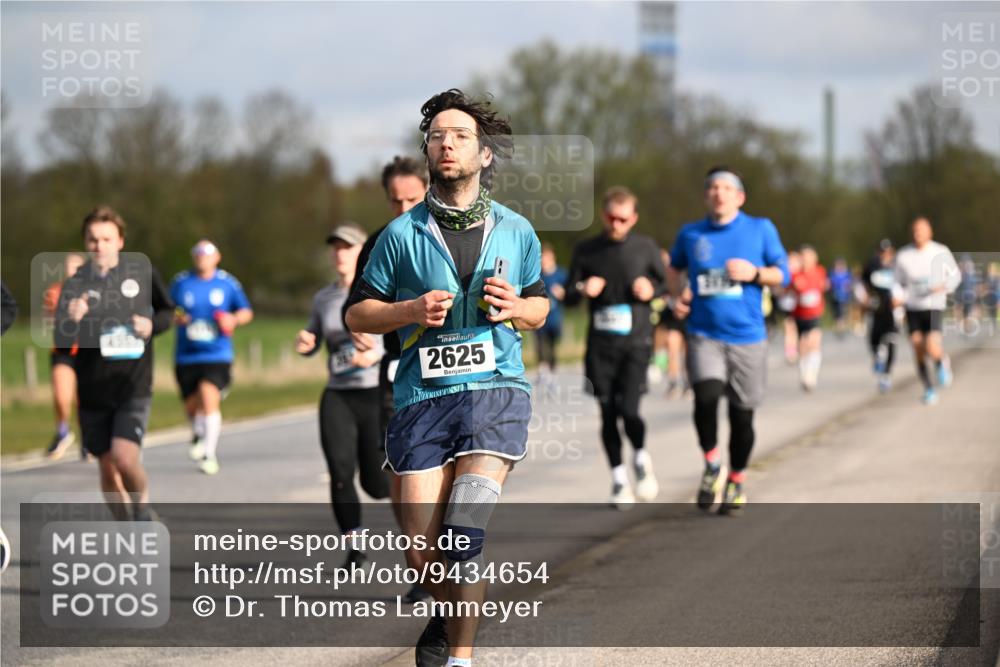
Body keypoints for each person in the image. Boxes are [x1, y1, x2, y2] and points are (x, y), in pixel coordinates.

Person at [345, 89, 549, 667]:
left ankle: (460, 659)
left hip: (495, 392)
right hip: (422, 399)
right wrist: (408, 310)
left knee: (462, 536)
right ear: (427, 152)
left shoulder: (516, 230)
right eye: (437, 136)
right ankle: (447, 609)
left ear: (484, 154)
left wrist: (517, 307)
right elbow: (357, 314)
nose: (447, 144)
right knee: (422, 553)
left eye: (460, 136)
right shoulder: (399, 236)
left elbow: (540, 308)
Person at [667, 167, 789, 515]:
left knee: (742, 418)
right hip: (704, 334)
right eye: (712, 187)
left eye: (726, 187)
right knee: (705, 397)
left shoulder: (761, 229)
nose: (719, 193)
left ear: (740, 197)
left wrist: (755, 273)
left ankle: (736, 480)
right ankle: (712, 464)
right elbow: (674, 268)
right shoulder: (691, 233)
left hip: (748, 338)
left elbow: (783, 274)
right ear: (706, 196)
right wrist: (677, 297)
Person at [344, 155, 432, 603]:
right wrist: (360, 332)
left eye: (412, 200)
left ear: (429, 191)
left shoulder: (451, 234)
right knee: (403, 472)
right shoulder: (379, 242)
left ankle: (450, 555)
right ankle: (421, 567)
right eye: (395, 202)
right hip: (399, 371)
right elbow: (357, 309)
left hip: (453, 371)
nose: (403, 210)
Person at [53, 206, 173, 520]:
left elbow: (167, 312)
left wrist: (152, 325)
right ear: (85, 242)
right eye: (93, 239)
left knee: (124, 458)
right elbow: (61, 343)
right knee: (107, 468)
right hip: (93, 388)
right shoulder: (75, 284)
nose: (99, 246)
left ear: (120, 241)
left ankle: (142, 509)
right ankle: (127, 528)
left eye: (106, 239)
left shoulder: (142, 274)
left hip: (132, 384)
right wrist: (71, 319)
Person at [565, 186, 665, 509]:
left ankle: (640, 456)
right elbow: (568, 295)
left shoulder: (645, 247)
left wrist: (651, 289)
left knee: (630, 411)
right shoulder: (587, 250)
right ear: (603, 215)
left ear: (633, 218)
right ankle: (620, 480)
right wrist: (583, 288)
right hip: (600, 346)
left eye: (623, 219)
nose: (616, 224)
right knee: (607, 414)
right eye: (611, 218)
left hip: (636, 343)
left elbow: (664, 283)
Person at [298, 224, 389, 566]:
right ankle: (355, 546)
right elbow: (314, 336)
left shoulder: (380, 290)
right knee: (339, 471)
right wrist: (306, 342)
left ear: (363, 251)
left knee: (377, 483)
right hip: (338, 395)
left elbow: (398, 336)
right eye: (335, 247)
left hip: (375, 394)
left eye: (347, 247)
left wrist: (374, 354)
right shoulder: (324, 298)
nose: (340, 253)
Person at [170, 240, 254, 475]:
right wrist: (178, 317)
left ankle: (209, 454)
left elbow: (246, 311)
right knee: (191, 405)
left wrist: (232, 319)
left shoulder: (227, 283)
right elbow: (168, 308)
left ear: (217, 257)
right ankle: (198, 431)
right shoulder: (181, 282)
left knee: (208, 395)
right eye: (198, 254)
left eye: (207, 255)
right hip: (186, 355)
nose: (202, 259)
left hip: (217, 353)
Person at [893, 216, 961, 405]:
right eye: (915, 230)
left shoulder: (940, 251)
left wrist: (943, 286)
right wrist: (897, 296)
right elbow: (897, 282)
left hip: (933, 305)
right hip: (912, 306)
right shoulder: (903, 255)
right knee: (917, 346)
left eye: (921, 229)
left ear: (930, 232)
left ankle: (940, 362)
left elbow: (955, 276)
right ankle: (928, 388)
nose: (918, 233)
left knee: (931, 345)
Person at [43, 252, 86, 459]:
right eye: (69, 267)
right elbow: (52, 317)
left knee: (84, 400)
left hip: (87, 352)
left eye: (76, 267)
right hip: (63, 351)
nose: (72, 271)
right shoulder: (55, 291)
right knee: (62, 397)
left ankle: (88, 438)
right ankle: (62, 431)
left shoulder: (94, 290)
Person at [859, 239, 901, 393]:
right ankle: (877, 357)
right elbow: (861, 284)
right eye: (882, 252)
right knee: (874, 340)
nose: (885, 255)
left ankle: (886, 375)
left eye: (888, 252)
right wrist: (864, 299)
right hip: (876, 309)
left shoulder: (898, 266)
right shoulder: (871, 266)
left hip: (893, 311)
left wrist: (901, 300)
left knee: (891, 341)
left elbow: (905, 285)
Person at [790, 245, 828, 392]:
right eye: (803, 257)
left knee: (814, 341)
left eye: (808, 257)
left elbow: (823, 286)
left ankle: (812, 375)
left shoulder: (820, 271)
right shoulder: (796, 274)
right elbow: (788, 288)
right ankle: (803, 372)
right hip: (800, 314)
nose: (806, 260)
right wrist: (795, 286)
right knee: (803, 345)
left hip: (815, 313)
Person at [655, 249, 689, 400]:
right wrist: (671, 302)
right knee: (672, 347)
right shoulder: (663, 276)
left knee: (688, 352)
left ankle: (688, 383)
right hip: (673, 316)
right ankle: (674, 383)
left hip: (689, 315)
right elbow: (662, 294)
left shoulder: (687, 271)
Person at [535, 242, 566, 390]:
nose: (544, 261)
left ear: (552, 257)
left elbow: (571, 294)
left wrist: (562, 293)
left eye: (546, 257)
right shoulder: (537, 276)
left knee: (552, 347)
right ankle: (542, 372)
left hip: (555, 318)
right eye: (542, 258)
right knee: (540, 345)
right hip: (540, 317)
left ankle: (553, 376)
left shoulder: (561, 274)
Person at [828, 257, 853, 338]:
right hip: (835, 297)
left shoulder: (847, 274)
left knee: (842, 313)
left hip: (844, 298)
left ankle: (841, 328)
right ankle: (839, 327)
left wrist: (848, 288)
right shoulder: (832, 274)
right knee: (836, 314)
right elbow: (829, 285)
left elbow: (850, 285)